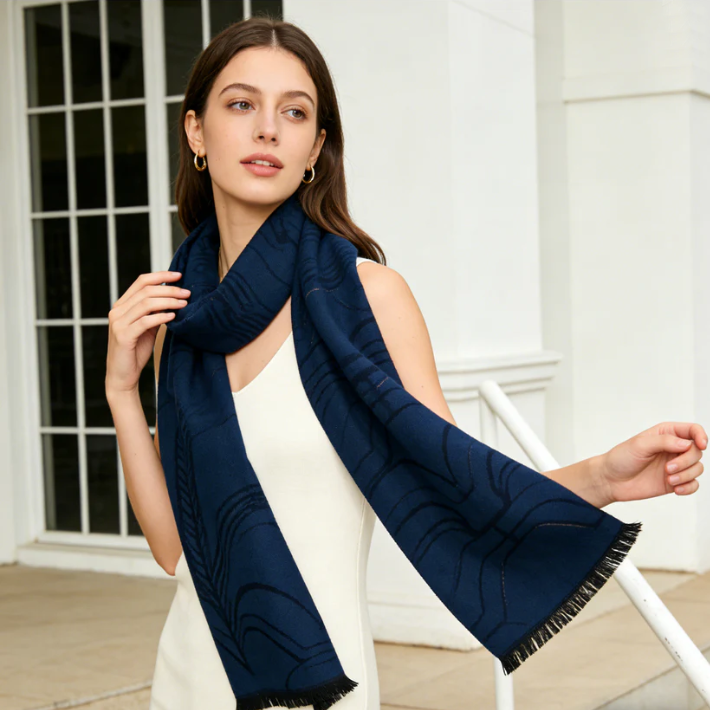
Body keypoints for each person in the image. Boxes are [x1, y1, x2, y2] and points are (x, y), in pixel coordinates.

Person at [105, 16, 706, 710]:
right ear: (196, 132)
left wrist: (603, 476)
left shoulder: (367, 300)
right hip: (187, 682)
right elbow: (173, 550)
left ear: (315, 147)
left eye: (294, 112)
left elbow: (461, 493)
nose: (268, 129)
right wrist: (121, 389)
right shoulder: (180, 322)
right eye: (241, 104)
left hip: (324, 689)